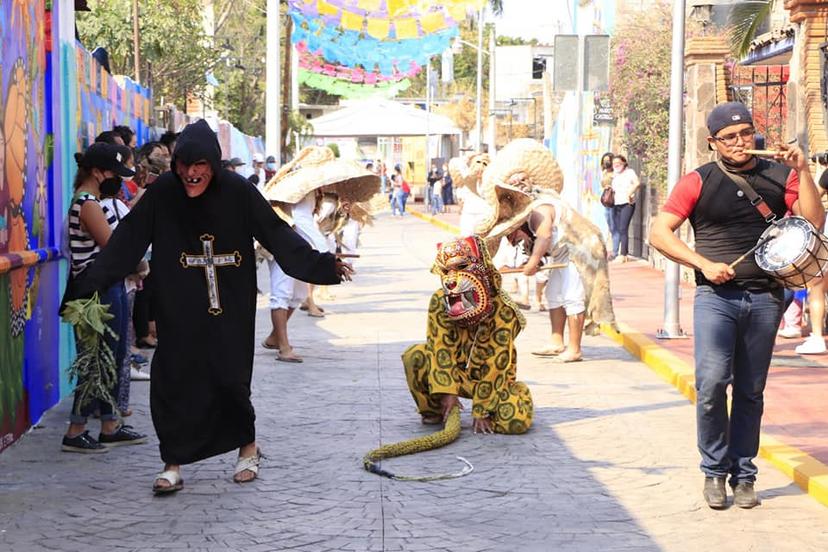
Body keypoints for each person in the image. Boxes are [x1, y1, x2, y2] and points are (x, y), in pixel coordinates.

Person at [63, 120, 353, 493]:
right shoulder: (165, 192)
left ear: (213, 164)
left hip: (229, 301)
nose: (191, 173)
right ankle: (173, 462)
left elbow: (275, 233)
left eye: (200, 165)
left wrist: (322, 265)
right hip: (178, 302)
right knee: (174, 379)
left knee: (230, 377)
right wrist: (88, 284)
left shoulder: (236, 191)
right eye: (184, 164)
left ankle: (247, 447)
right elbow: (127, 241)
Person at [649, 102, 823, 509]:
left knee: (751, 389)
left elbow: (812, 223)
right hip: (715, 299)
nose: (740, 142)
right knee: (711, 384)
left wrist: (804, 171)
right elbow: (659, 232)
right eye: (729, 137)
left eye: (745, 133)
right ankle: (713, 471)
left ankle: (743, 474)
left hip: (766, 297)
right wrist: (703, 263)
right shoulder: (699, 181)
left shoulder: (780, 175)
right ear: (713, 143)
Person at [61, 142, 148, 453]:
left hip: (104, 286)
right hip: (95, 290)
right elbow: (114, 247)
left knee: (109, 358)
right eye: (114, 173)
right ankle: (75, 429)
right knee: (96, 360)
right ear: (97, 173)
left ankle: (109, 425)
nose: (118, 180)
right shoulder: (87, 204)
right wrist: (139, 263)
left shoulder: (90, 201)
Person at [402, 236, 533, 434]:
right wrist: (448, 391)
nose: (453, 277)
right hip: (457, 374)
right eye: (447, 271)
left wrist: (481, 410)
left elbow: (496, 363)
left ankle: (504, 401)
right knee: (415, 355)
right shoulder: (440, 300)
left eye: (462, 267)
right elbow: (439, 348)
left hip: (492, 380)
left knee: (514, 423)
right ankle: (434, 410)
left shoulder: (503, 308)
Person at [509, 201, 586, 363]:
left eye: (513, 236)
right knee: (554, 293)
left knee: (572, 296)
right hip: (562, 254)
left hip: (579, 251)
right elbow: (543, 247)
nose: (514, 240)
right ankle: (556, 341)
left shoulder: (538, 212)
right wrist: (533, 262)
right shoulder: (529, 229)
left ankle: (574, 349)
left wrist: (533, 262)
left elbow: (545, 236)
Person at [609, 154, 640, 262]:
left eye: (618, 163)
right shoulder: (614, 175)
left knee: (623, 228)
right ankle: (621, 253)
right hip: (616, 203)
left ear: (624, 163)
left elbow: (637, 183)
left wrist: (629, 193)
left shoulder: (629, 172)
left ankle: (623, 254)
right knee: (618, 228)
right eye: (614, 163)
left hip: (627, 203)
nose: (616, 165)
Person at [599, 152, 615, 246]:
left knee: (613, 223)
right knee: (608, 220)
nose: (606, 162)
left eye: (608, 160)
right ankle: (613, 242)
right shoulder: (604, 172)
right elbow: (602, 184)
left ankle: (615, 245)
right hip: (606, 200)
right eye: (605, 161)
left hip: (613, 199)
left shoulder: (615, 173)